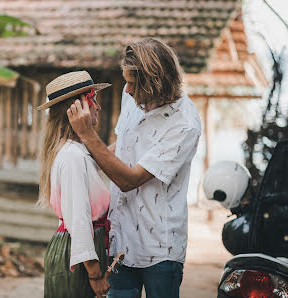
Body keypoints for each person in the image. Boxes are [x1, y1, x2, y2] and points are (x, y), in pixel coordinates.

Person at [67, 37, 201, 298]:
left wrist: (88, 135)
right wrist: (80, 158)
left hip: (160, 249)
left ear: (155, 84)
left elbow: (130, 179)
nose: (126, 90)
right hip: (121, 239)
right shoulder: (133, 99)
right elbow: (123, 146)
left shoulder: (185, 124)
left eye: (131, 83)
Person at [37, 70, 112, 298]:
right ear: (76, 110)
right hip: (79, 255)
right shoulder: (72, 156)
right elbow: (79, 219)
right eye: (93, 101)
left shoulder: (77, 151)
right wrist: (94, 274)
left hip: (82, 251)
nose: (98, 107)